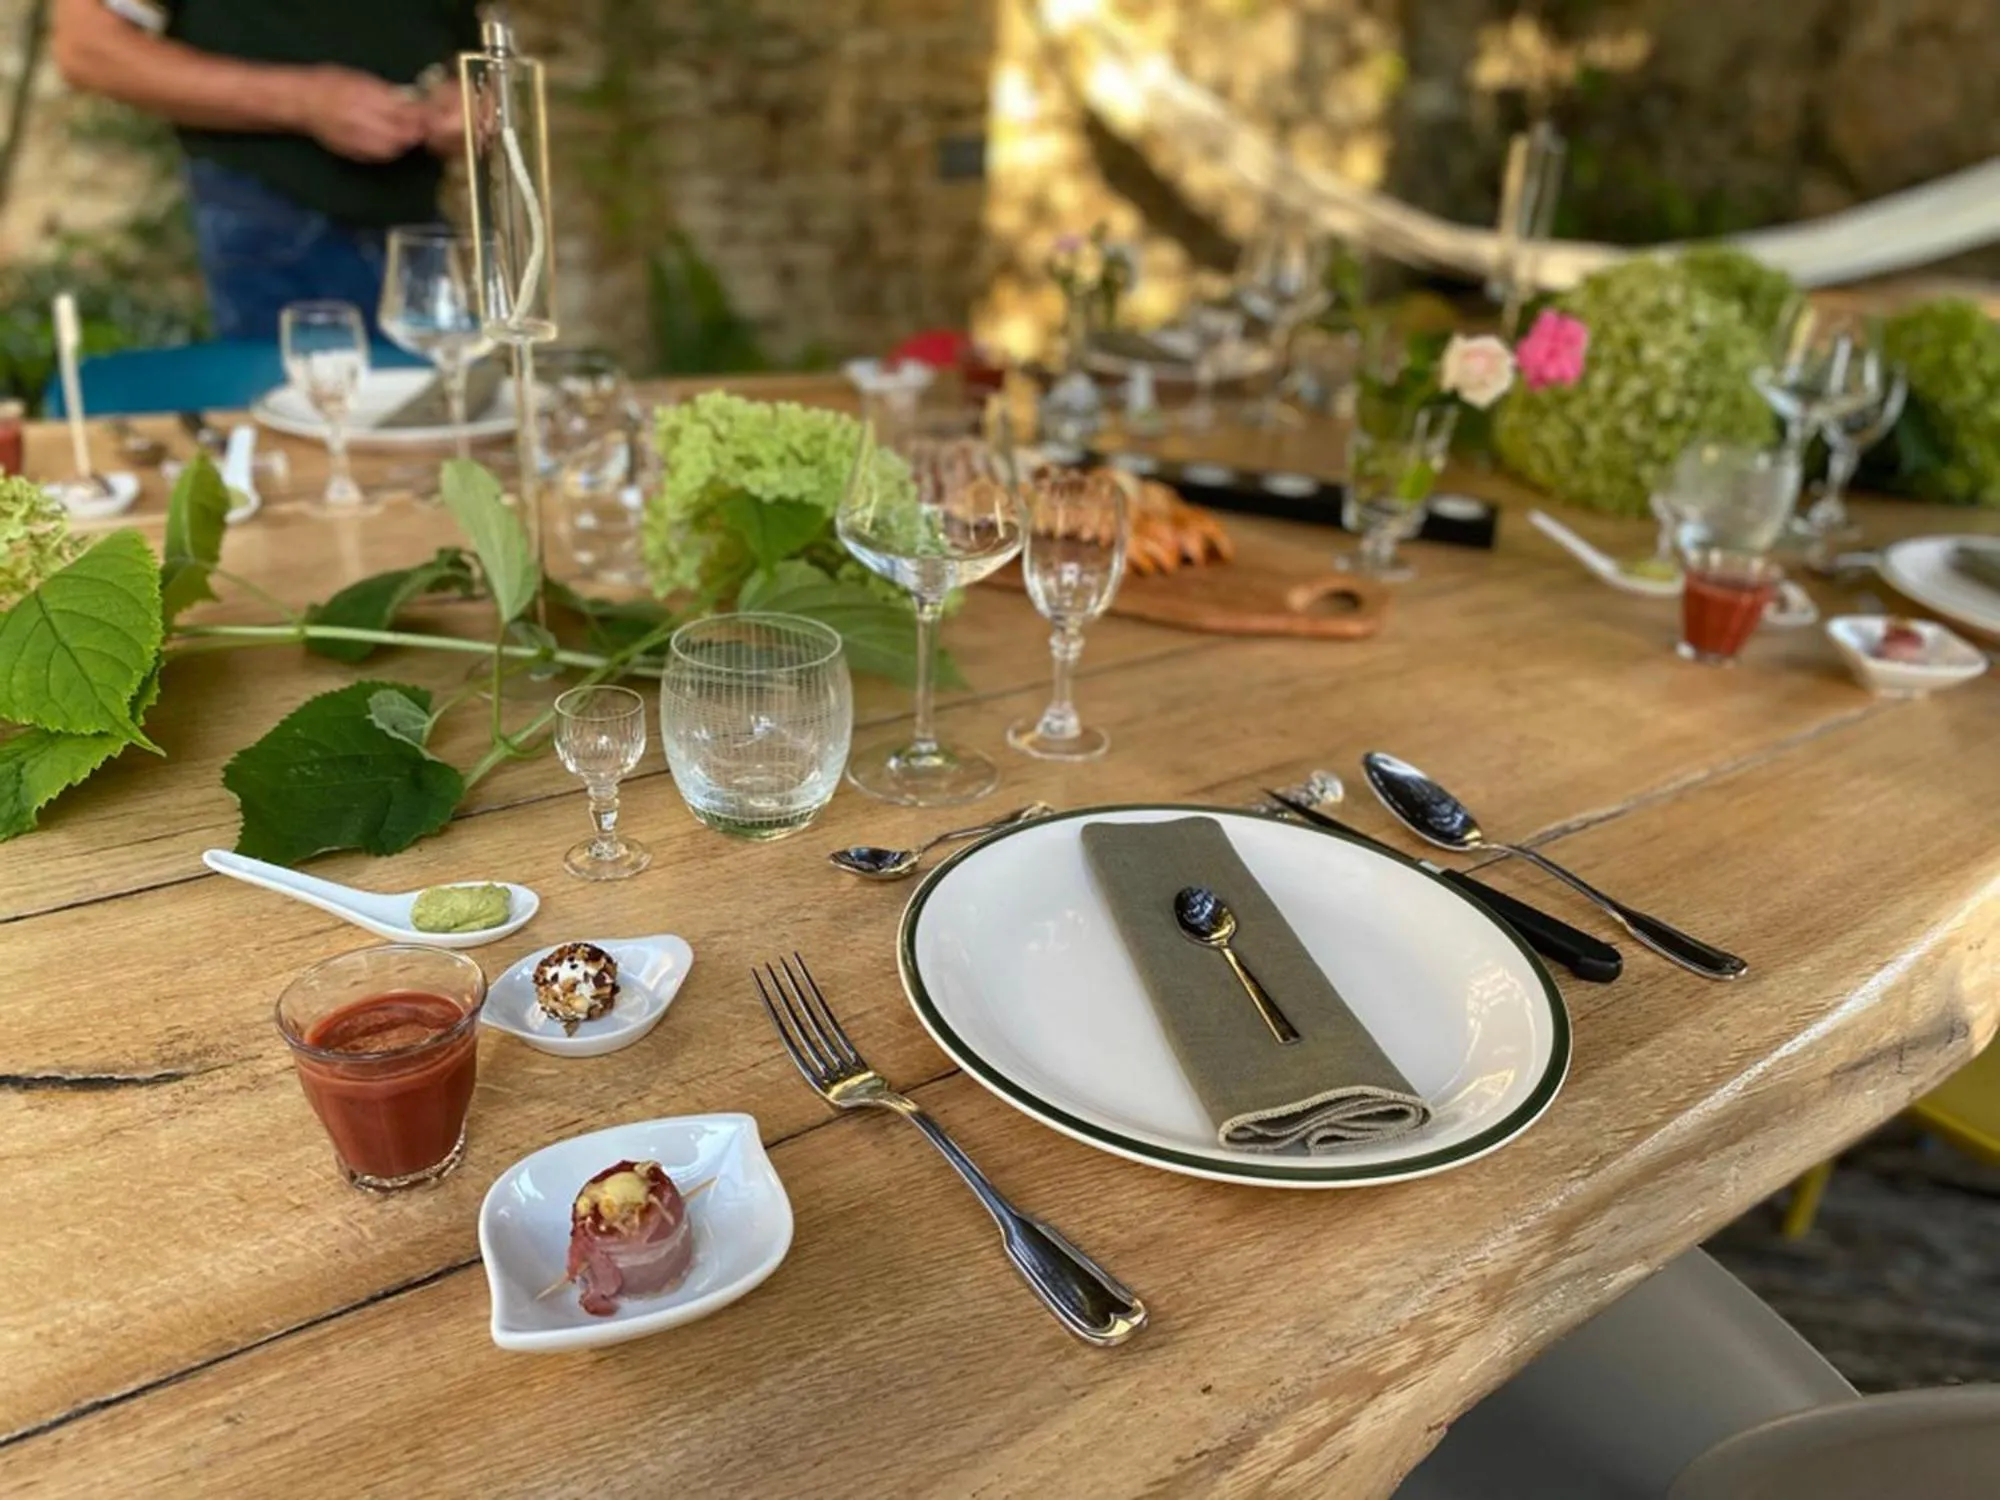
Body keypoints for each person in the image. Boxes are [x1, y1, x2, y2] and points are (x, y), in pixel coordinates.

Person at [51, 0, 482, 339]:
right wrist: (304, 101)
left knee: (451, 432)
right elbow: (88, 48)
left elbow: (464, 50)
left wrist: (466, 98)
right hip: (274, 223)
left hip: (423, 230)